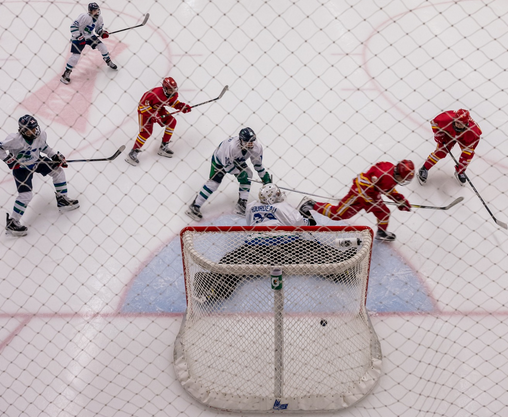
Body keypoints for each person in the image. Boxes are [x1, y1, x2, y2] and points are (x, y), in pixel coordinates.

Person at [0, 115, 79, 236]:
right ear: (22, 130)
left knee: (57, 171)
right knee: (26, 195)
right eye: (29, 130)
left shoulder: (41, 135)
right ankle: (13, 222)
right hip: (21, 169)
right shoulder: (14, 139)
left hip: (37, 162)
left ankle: (62, 199)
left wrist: (55, 156)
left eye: (34, 128)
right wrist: (8, 159)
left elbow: (45, 147)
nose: (33, 131)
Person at [298, 160, 414, 242]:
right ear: (398, 173)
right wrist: (372, 202)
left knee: (384, 212)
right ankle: (311, 205)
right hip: (357, 193)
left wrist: (400, 200)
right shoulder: (382, 174)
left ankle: (381, 232)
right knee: (337, 214)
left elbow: (387, 188)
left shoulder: (393, 176)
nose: (403, 181)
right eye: (403, 178)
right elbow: (361, 182)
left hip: (372, 196)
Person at [186, 127, 272, 220]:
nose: (251, 143)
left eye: (252, 141)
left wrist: (264, 176)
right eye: (247, 141)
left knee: (248, 174)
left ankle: (241, 204)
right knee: (214, 183)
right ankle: (195, 205)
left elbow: (258, 164)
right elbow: (226, 166)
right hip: (220, 160)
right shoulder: (231, 147)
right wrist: (238, 173)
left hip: (236, 160)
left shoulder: (257, 147)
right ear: (241, 140)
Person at [125, 77, 192, 165]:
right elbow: (142, 106)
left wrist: (182, 106)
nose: (173, 92)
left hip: (158, 109)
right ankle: (133, 152)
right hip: (145, 112)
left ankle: (163, 147)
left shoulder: (173, 94)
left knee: (172, 121)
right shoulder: (154, 94)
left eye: (174, 89)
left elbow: (172, 102)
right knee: (146, 133)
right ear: (164, 89)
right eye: (171, 90)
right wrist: (153, 115)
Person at [418, 109, 482, 186]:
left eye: (461, 124)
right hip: (448, 133)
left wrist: (462, 165)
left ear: (466, 123)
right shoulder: (446, 119)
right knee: (441, 152)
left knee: (468, 155)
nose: (458, 125)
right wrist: (439, 136)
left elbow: (471, 148)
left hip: (464, 137)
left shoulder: (473, 132)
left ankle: (460, 171)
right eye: (457, 122)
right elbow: (434, 123)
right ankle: (424, 168)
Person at [60, 2, 117, 85]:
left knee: (102, 47)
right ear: (90, 11)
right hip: (78, 37)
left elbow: (98, 29)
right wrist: (79, 37)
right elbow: (73, 27)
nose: (96, 11)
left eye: (97, 9)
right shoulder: (84, 16)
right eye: (94, 10)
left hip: (90, 36)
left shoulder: (100, 18)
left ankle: (108, 60)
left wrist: (102, 32)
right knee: (75, 57)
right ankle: (66, 74)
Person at [246, 183, 316, 226]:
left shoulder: (252, 206)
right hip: (279, 239)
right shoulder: (281, 206)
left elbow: (249, 223)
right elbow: (297, 222)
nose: (279, 194)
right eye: (277, 193)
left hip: (254, 240)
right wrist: (309, 221)